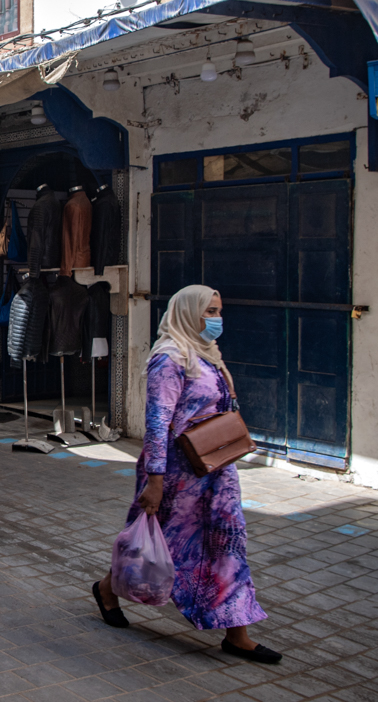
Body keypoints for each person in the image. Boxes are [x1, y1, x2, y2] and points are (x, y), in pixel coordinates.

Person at [92, 284, 281, 664]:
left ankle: (237, 633)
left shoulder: (206, 353)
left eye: (218, 311)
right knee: (158, 546)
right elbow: (157, 423)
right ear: (187, 313)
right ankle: (107, 589)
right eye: (209, 312)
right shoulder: (169, 358)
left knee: (228, 543)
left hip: (216, 469)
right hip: (177, 476)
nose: (217, 319)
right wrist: (155, 480)